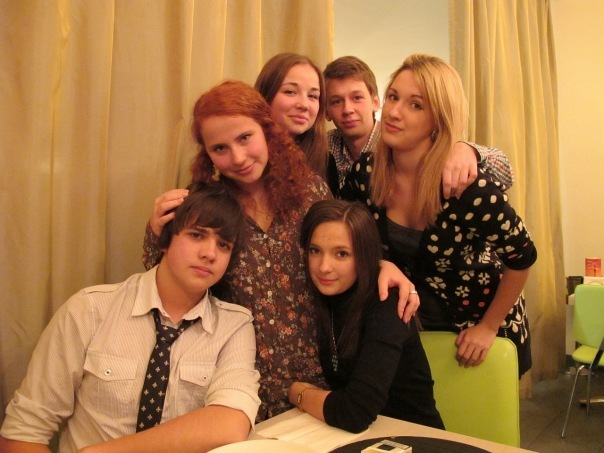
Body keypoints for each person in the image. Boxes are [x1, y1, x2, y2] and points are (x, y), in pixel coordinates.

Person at [142, 80, 419, 420]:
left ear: (267, 130)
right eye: (220, 148)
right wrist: (157, 234)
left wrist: (381, 266)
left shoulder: (309, 191)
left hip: (320, 386)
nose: (238, 158)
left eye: (245, 138)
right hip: (237, 387)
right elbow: (169, 287)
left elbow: (343, 252)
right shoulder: (208, 208)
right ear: (207, 154)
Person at [0, 183, 260, 453]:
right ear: (165, 239)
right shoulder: (90, 310)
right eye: (197, 235)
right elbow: (23, 433)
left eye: (223, 245)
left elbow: (230, 423)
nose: (210, 253)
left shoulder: (234, 326)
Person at [342, 54, 537, 376]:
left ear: (439, 119)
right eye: (393, 97)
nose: (394, 111)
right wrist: (379, 263)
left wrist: (488, 327)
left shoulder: (466, 189)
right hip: (414, 326)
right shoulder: (367, 172)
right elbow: (349, 232)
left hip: (477, 331)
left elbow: (523, 256)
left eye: (415, 105)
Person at [288, 200, 445, 433]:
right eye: (315, 251)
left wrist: (298, 393)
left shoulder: (387, 303)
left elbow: (354, 412)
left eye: (341, 254)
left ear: (364, 255)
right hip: (355, 437)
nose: (324, 267)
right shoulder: (326, 297)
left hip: (414, 438)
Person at [323, 55, 515, 198]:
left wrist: (467, 149)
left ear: (375, 102)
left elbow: (506, 173)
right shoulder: (327, 144)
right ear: (326, 112)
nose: (347, 109)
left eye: (357, 98)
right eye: (336, 101)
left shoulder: (402, 139)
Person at [254, 52, 338, 193]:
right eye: (290, 92)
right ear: (265, 95)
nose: (304, 105)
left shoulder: (326, 163)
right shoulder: (246, 156)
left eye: (313, 96)